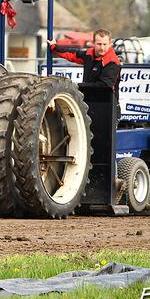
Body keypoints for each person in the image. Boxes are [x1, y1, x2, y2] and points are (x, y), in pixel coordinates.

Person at [47, 28, 123, 200]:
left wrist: (77, 87)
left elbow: (105, 86)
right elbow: (71, 54)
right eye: (99, 44)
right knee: (91, 147)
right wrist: (54, 47)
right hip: (92, 108)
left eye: (105, 44)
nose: (102, 48)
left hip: (109, 110)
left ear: (110, 43)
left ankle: (114, 185)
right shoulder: (89, 54)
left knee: (106, 148)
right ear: (93, 43)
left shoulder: (112, 62)